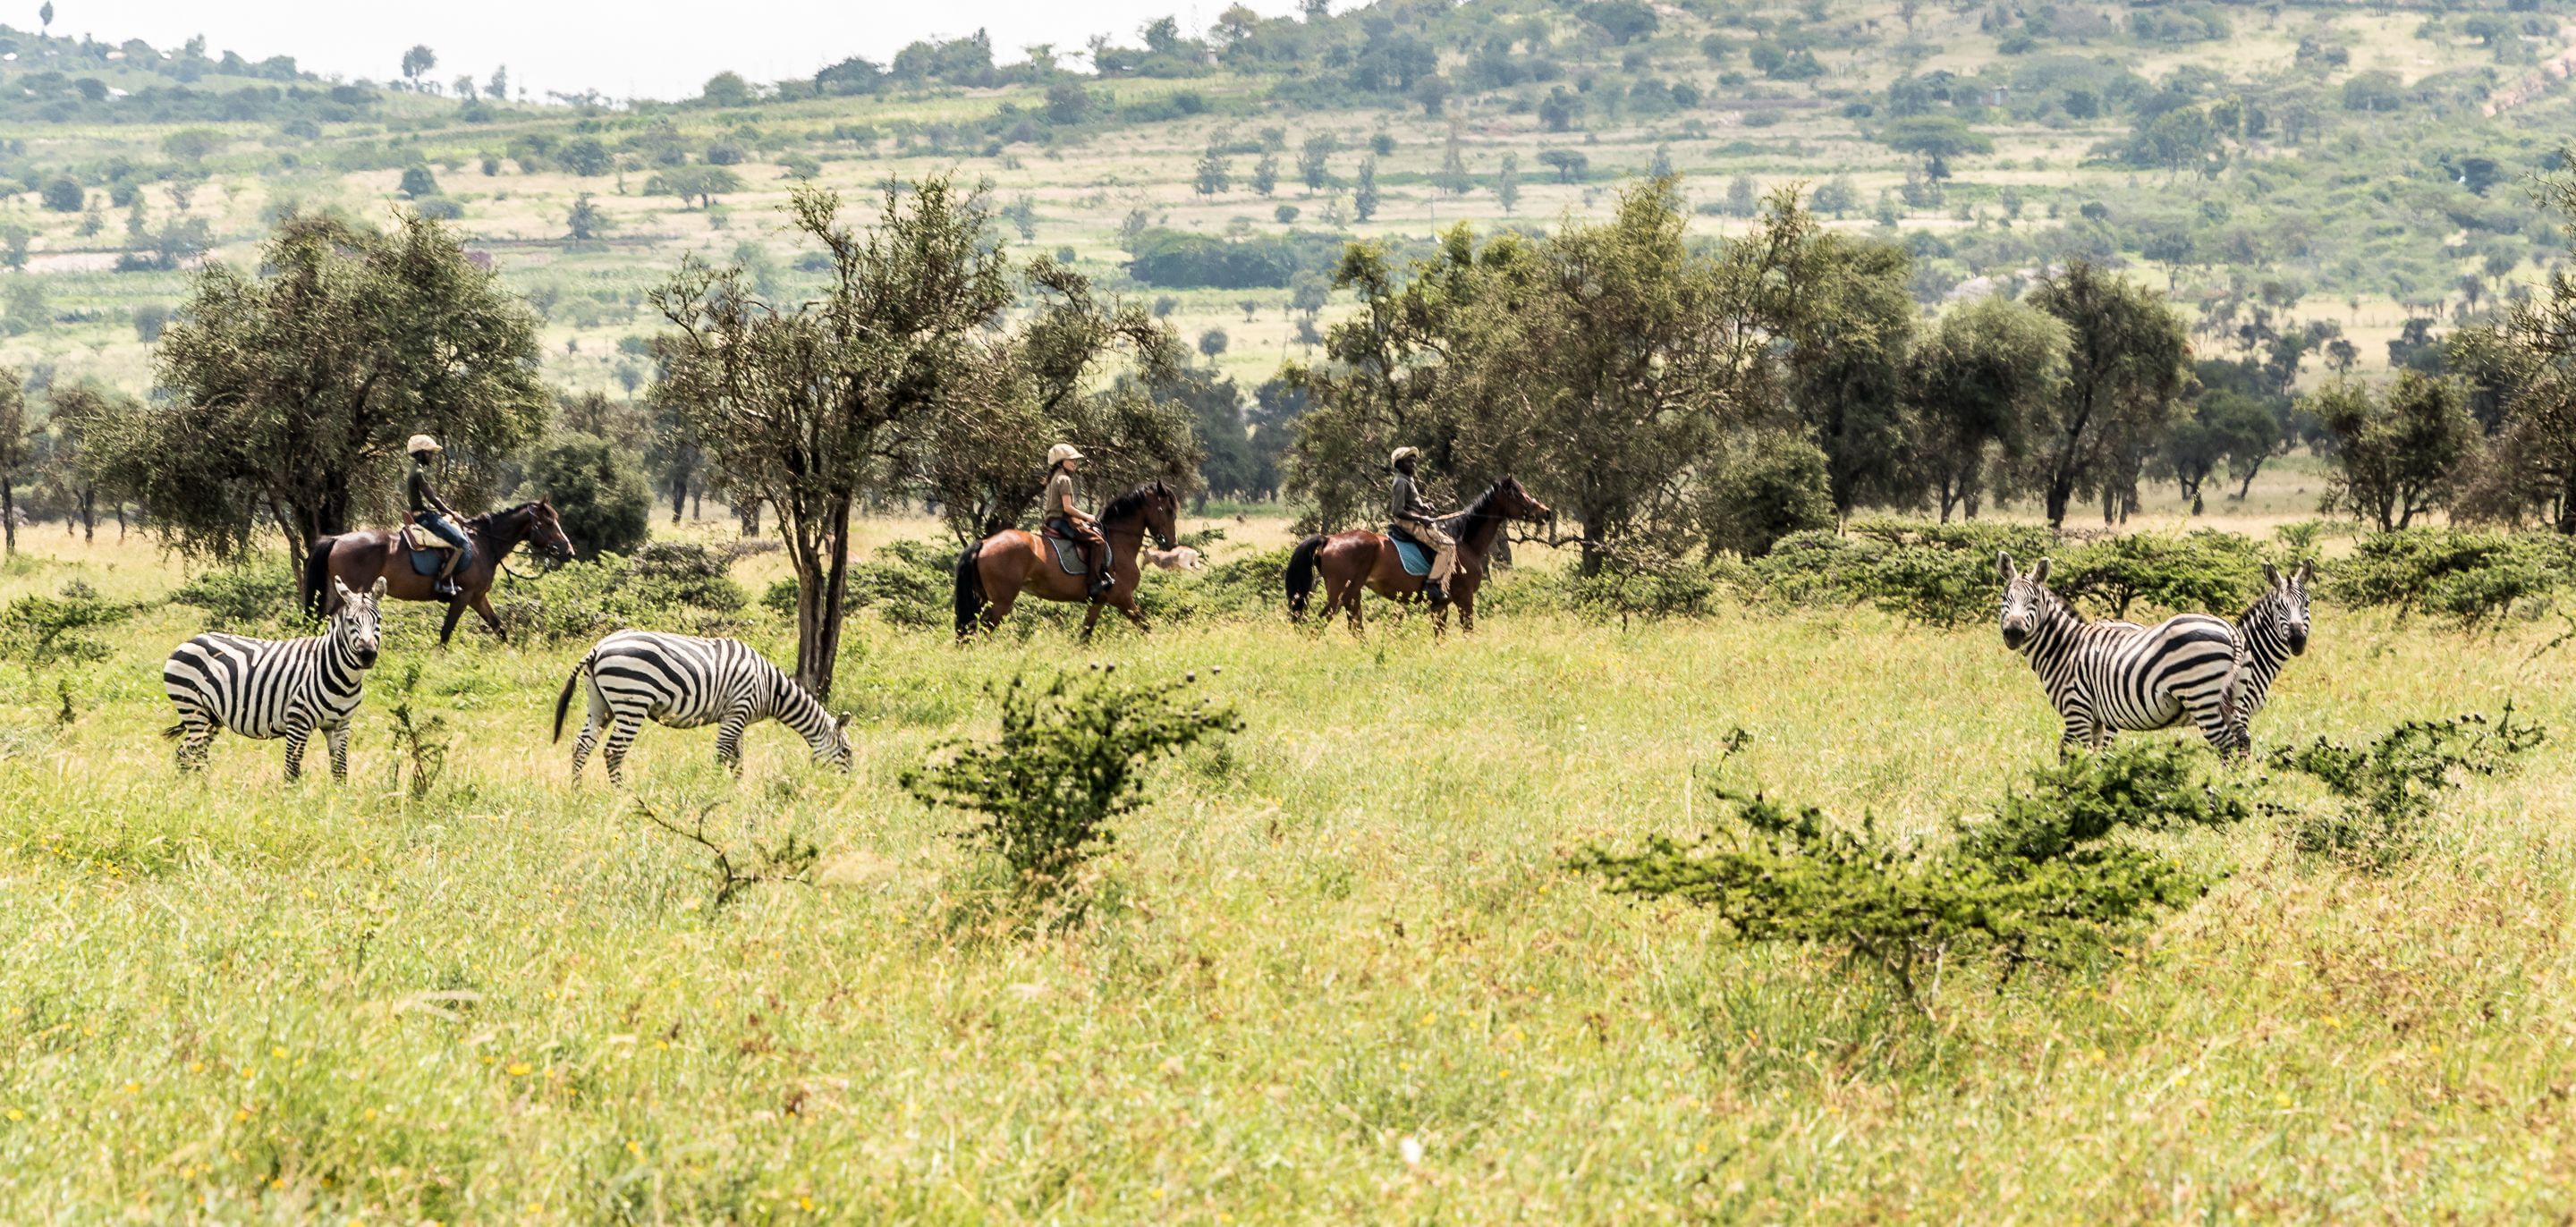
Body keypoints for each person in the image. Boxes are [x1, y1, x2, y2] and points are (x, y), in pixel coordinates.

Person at [1042, 443, 1112, 600]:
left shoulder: (1054, 477)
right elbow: (1067, 508)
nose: (1075, 463)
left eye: (1075, 460)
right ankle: (1094, 582)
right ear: (1061, 462)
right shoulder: (1064, 479)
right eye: (1071, 460)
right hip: (1062, 521)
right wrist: (1088, 517)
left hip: (1052, 521)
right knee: (1098, 542)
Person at [1388, 445, 1457, 605]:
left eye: (1414, 461)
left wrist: (1424, 506)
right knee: (1447, 546)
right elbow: (1397, 510)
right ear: (1399, 464)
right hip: (1409, 524)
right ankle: (1432, 584)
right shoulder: (1400, 482)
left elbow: (1411, 504)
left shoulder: (1407, 480)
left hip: (1415, 519)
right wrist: (1421, 519)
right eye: (1409, 461)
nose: (1413, 464)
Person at [405, 434, 471, 597]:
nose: (432, 456)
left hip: (423, 513)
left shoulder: (414, 470)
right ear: (420, 453)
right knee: (462, 542)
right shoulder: (419, 472)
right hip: (424, 518)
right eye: (429, 452)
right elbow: (432, 498)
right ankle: (443, 580)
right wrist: (452, 513)